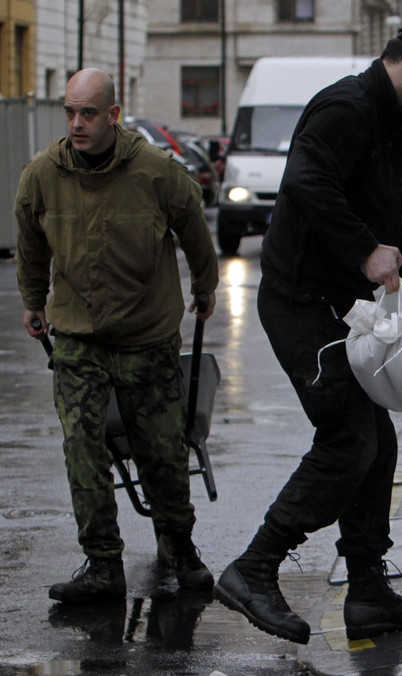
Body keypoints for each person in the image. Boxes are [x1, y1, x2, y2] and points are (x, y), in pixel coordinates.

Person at [212, 23, 402, 645]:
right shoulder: (345, 107)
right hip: (300, 302)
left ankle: (368, 593)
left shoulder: (390, 131)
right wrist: (362, 252)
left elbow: (388, 220)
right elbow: (306, 182)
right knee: (351, 437)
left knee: (376, 438)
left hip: (338, 307)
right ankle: (255, 568)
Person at [15, 68, 219, 604]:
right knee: (82, 448)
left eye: (87, 113)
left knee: (162, 451)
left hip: (147, 335)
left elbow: (195, 229)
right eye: (69, 112)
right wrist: (33, 299)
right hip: (79, 336)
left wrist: (206, 286)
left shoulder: (156, 171)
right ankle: (104, 563)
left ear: (113, 115)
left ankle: (179, 546)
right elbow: (31, 239)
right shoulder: (42, 175)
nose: (76, 124)